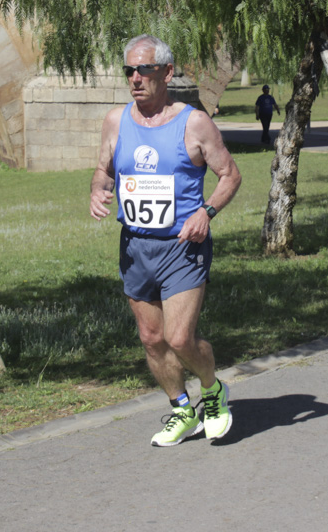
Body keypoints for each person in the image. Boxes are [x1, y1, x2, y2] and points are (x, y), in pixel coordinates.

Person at [89, 34, 242, 447]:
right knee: (152, 339)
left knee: (179, 338)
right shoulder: (115, 121)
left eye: (145, 70)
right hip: (135, 246)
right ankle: (180, 409)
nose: (135, 79)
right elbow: (103, 170)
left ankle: (212, 391)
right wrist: (97, 190)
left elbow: (230, 175)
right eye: (129, 71)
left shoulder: (193, 122)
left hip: (182, 247)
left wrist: (205, 212)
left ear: (167, 73)